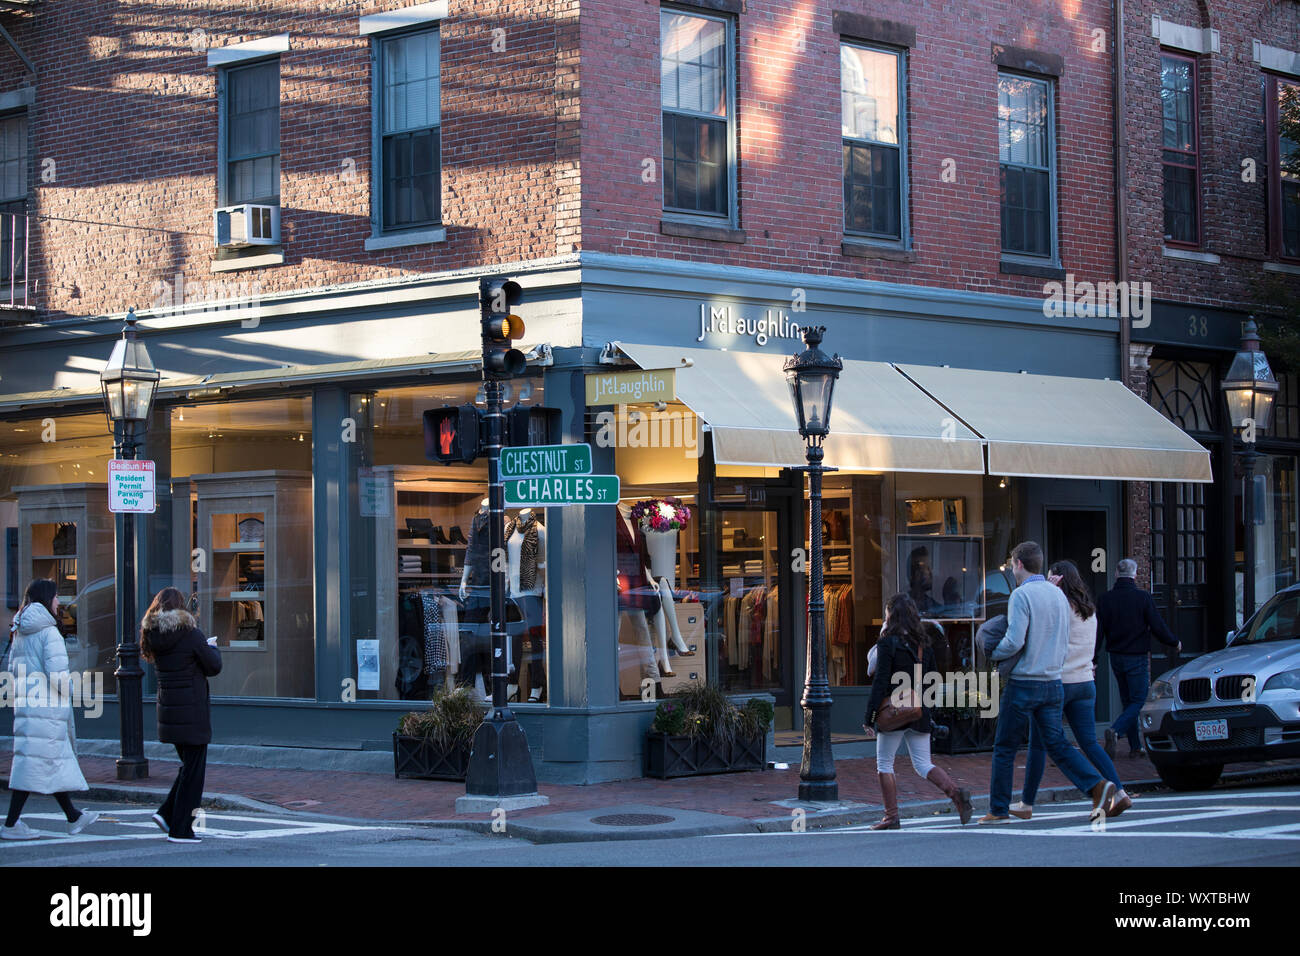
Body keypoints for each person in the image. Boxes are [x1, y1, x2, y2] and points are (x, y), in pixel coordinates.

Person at [980, 541, 1116, 824]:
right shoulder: (1057, 595)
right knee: (1058, 744)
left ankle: (999, 809)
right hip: (1054, 681)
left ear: (1017, 564)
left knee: (1005, 746)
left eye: (1012, 563)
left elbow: (1015, 640)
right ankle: (1098, 785)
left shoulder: (1021, 595)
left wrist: (996, 653)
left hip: (1025, 681)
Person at [1009, 560, 1132, 820]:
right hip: (1086, 682)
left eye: (1052, 577)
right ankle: (1120, 792)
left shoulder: (1059, 606)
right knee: (1089, 743)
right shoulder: (1089, 608)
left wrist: (1046, 590)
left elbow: (1038, 630)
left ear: (1059, 579)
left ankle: (1027, 803)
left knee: (1039, 745)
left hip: (1058, 683)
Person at [1, 579, 100, 840]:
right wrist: (72, 687)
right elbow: (58, 676)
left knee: (43, 761)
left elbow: (13, 670)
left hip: (28, 705)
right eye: (56, 597)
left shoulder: (20, 630)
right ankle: (11, 825)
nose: (59, 602)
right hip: (47, 708)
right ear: (47, 599)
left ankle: (73, 817)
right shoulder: (49, 632)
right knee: (33, 764)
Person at [864, 593, 973, 829]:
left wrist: (870, 717)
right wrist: (926, 710)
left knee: (884, 763)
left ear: (890, 616)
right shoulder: (924, 645)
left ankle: (891, 817)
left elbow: (880, 681)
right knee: (923, 763)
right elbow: (932, 681)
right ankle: (957, 796)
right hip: (918, 709)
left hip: (894, 710)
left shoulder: (887, 643)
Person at [140, 587, 222, 844]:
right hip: (192, 710)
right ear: (181, 607)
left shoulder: (153, 634)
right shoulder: (190, 633)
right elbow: (213, 666)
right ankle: (181, 829)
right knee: (194, 772)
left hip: (169, 711)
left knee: (189, 767)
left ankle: (166, 814)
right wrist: (213, 648)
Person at [1096, 557, 1181, 759]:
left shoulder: (1105, 599)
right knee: (1139, 700)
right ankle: (1116, 730)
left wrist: (1093, 658)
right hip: (1137, 656)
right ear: (1134, 575)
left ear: (1117, 573)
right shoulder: (1142, 598)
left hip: (1115, 656)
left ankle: (1135, 746)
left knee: (1128, 702)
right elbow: (1157, 625)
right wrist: (1173, 642)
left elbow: (1099, 631)